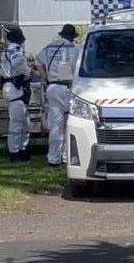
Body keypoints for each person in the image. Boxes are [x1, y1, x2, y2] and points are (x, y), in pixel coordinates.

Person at [37, 24, 81, 167]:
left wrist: (46, 78)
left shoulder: (49, 48)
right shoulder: (76, 49)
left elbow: (37, 63)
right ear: (72, 36)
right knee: (69, 124)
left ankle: (53, 158)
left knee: (55, 125)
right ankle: (66, 156)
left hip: (52, 87)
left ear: (62, 35)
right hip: (68, 87)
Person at [0, 26, 32, 163]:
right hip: (14, 88)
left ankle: (22, 149)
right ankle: (15, 152)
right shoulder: (16, 49)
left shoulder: (8, 49)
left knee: (24, 122)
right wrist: (29, 71)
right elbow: (18, 64)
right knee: (17, 123)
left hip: (13, 87)